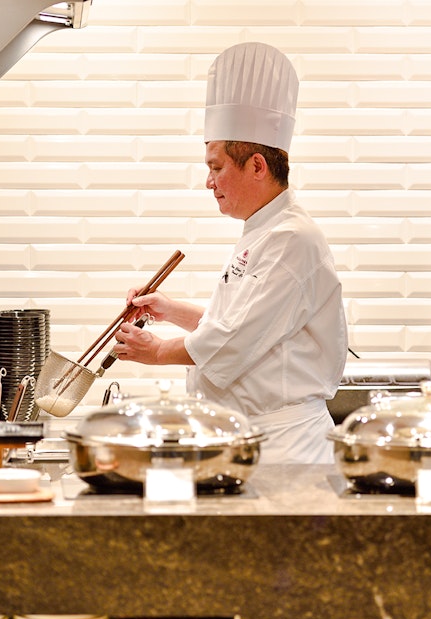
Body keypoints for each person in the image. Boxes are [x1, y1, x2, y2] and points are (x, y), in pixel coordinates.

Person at [108, 42, 348, 464]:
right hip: (253, 442)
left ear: (257, 166)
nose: (208, 182)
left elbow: (236, 340)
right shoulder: (263, 231)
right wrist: (170, 309)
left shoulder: (293, 239)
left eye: (216, 167)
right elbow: (248, 327)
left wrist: (156, 351)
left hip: (285, 450)